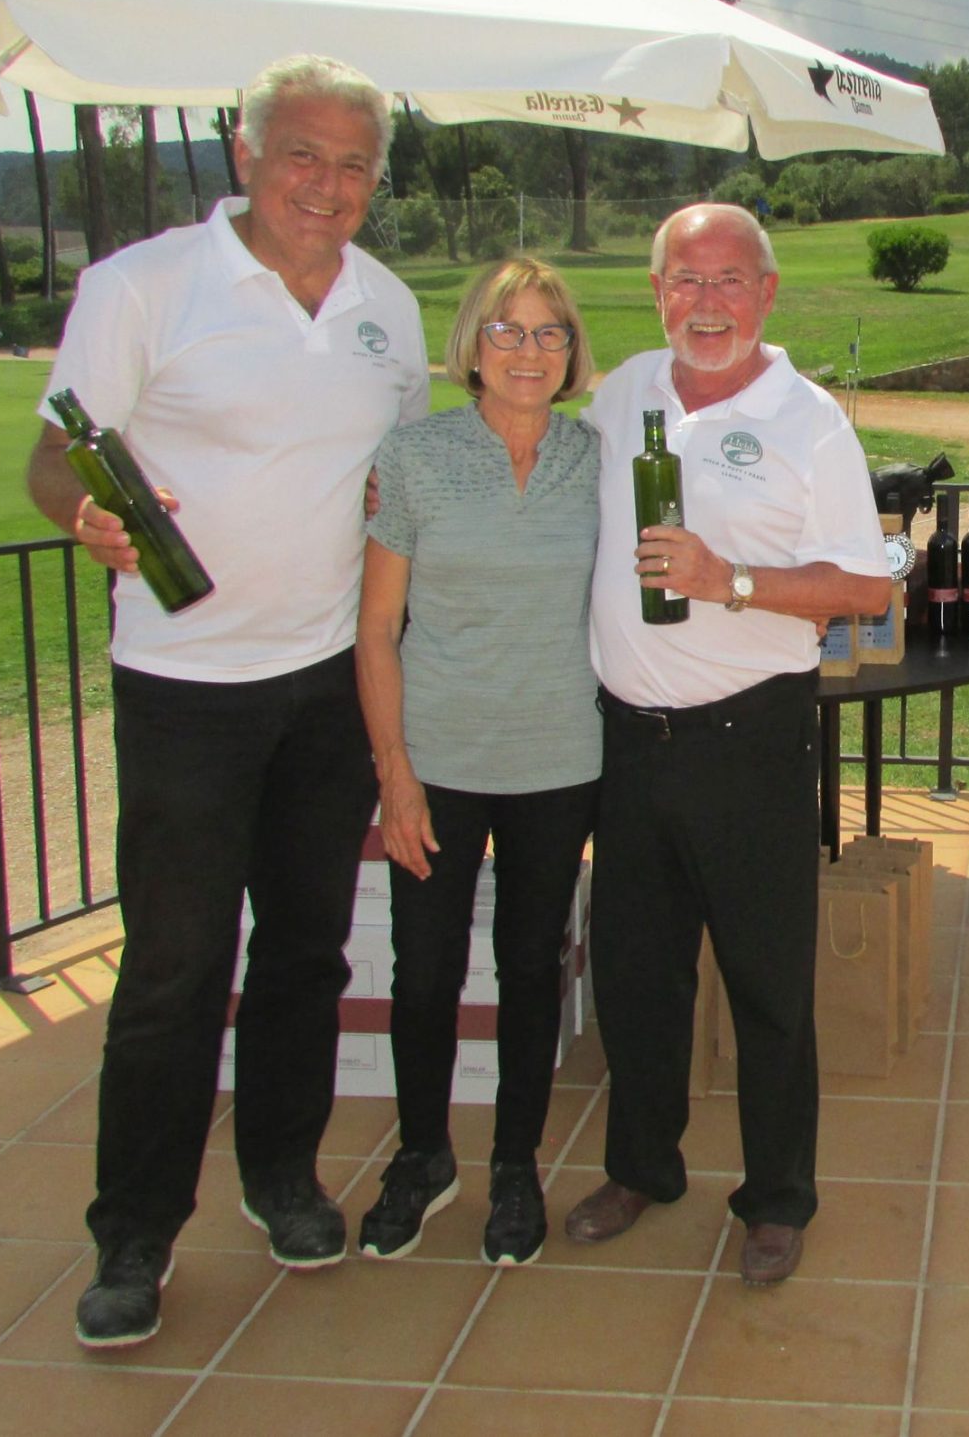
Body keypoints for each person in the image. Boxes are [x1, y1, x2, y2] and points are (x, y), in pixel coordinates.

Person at [27, 55, 429, 1349]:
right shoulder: (142, 285)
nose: (327, 183)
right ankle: (134, 1233)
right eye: (302, 154)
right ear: (245, 155)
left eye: (353, 163)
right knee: (175, 967)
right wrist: (85, 515)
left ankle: (281, 1176)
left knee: (307, 950)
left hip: (328, 685)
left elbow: (404, 484)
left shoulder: (387, 307)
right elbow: (54, 454)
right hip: (186, 687)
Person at [567, 202, 891, 1287]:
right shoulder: (624, 393)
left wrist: (729, 580)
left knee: (766, 985)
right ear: (657, 291)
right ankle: (641, 1168)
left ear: (767, 292)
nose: (706, 304)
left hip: (749, 741)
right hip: (629, 744)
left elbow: (863, 588)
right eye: (685, 280)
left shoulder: (810, 422)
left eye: (728, 280)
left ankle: (777, 1198)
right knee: (637, 978)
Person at [352, 258, 600, 1265]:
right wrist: (394, 773)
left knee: (531, 968)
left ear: (571, 351)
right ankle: (422, 1157)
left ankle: (514, 1165)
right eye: (507, 331)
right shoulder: (414, 457)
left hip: (559, 757)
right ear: (473, 344)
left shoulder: (602, 461)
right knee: (425, 972)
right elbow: (377, 628)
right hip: (439, 760)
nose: (528, 351)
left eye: (548, 332)